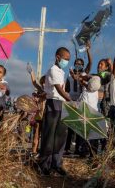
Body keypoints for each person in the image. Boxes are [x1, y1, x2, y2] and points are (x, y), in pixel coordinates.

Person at [39, 47, 72, 176]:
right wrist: (69, 99)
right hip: (53, 104)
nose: (66, 61)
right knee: (49, 135)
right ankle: (44, 164)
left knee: (60, 135)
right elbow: (58, 89)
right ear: (58, 57)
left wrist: (67, 99)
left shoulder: (61, 72)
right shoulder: (53, 70)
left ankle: (56, 163)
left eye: (68, 59)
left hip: (62, 104)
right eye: (65, 59)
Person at [64, 41, 92, 156]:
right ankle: (67, 148)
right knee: (70, 126)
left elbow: (90, 63)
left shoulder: (85, 74)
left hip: (81, 102)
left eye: (80, 64)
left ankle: (79, 148)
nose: (78, 65)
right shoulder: (69, 76)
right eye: (76, 63)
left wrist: (88, 50)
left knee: (80, 125)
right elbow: (66, 89)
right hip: (71, 101)